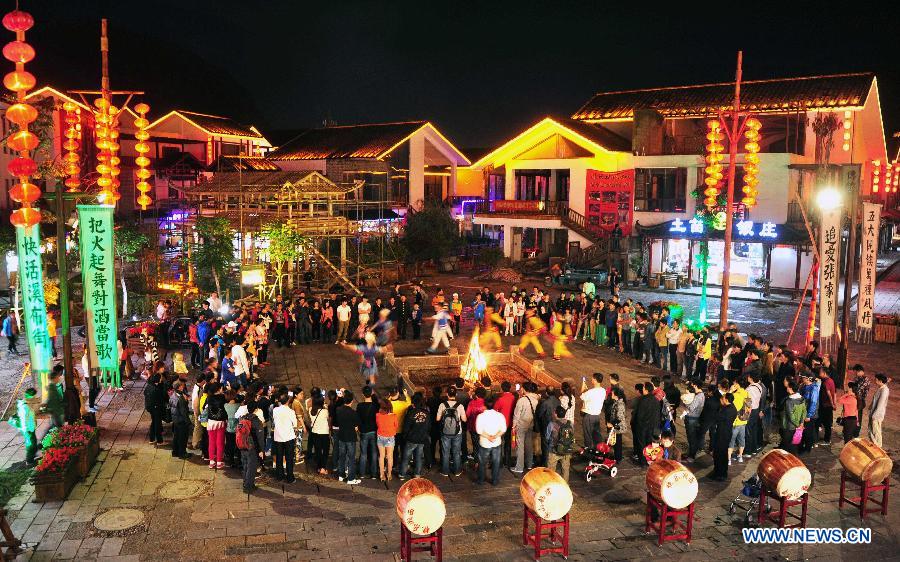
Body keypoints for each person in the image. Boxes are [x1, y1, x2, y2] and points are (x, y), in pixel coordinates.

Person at [436, 386, 467, 476]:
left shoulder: (442, 405)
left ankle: (445, 471)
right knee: (456, 452)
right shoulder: (460, 406)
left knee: (445, 452)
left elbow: (437, 419)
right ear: (456, 394)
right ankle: (457, 471)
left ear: (447, 394)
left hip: (445, 432)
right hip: (458, 432)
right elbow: (464, 419)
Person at [475, 396, 507, 486]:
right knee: (496, 462)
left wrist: (488, 437)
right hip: (496, 442)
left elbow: (479, 430)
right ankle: (495, 480)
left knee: (482, 462)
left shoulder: (480, 416)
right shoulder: (500, 415)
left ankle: (481, 480)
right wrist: (495, 436)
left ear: (484, 405)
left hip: (484, 443)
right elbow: (503, 429)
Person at [399, 393, 430, 480]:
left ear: (413, 403)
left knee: (406, 457)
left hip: (411, 439)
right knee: (419, 457)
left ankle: (402, 474)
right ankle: (417, 473)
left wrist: (405, 436)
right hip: (422, 438)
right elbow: (428, 426)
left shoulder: (411, 413)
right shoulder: (426, 413)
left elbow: (406, 427)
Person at [334, 390, 361, 484]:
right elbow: (356, 426)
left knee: (341, 456)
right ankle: (351, 478)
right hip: (350, 437)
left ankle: (341, 475)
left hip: (341, 435)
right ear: (352, 401)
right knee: (351, 457)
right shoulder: (353, 413)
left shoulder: (338, 410)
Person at [511, 382, 539, 473]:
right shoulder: (537, 399)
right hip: (531, 424)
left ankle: (519, 467)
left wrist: (514, 425)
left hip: (521, 425)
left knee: (520, 446)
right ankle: (529, 464)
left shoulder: (522, 400)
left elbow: (517, 414)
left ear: (525, 389)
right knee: (529, 445)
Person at [239, 400, 265, 493]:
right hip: (252, 447)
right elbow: (260, 437)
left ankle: (246, 483)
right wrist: (262, 450)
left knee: (245, 466)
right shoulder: (256, 421)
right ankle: (248, 487)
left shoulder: (242, 418)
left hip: (242, 446)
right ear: (256, 409)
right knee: (251, 467)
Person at [710, 392, 737, 481]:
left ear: (726, 400)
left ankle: (719, 473)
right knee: (723, 453)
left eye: (723, 398)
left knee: (719, 454)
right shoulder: (732, 408)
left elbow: (716, 417)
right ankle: (721, 472)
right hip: (726, 433)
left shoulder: (727, 410)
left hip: (722, 434)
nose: (722, 399)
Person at [8, 388, 38, 466]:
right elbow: (24, 420)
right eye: (33, 396)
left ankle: (32, 456)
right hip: (28, 429)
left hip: (30, 428)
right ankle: (29, 461)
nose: (34, 398)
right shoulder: (25, 406)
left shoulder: (27, 403)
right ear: (28, 396)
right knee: (31, 444)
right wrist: (27, 431)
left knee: (33, 443)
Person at [272, 393, 298, 483]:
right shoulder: (291, 411)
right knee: (289, 458)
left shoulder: (275, 410)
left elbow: (274, 420)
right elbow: (295, 424)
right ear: (287, 401)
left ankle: (279, 476)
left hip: (278, 436)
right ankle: (290, 477)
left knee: (279, 457)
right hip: (288, 436)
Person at [631, 383, 658, 464]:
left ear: (646, 390)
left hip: (642, 427)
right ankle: (648, 460)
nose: (642, 389)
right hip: (652, 427)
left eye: (643, 388)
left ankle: (642, 460)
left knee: (641, 444)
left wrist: (637, 425)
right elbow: (657, 415)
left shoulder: (642, 400)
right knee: (649, 444)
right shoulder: (656, 400)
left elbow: (639, 415)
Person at [545, 406, 575, 481]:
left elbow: (547, 437)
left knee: (551, 471)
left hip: (554, 450)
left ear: (556, 414)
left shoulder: (552, 424)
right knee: (565, 469)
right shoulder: (570, 423)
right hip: (567, 450)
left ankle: (551, 484)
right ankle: (565, 485)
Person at [779, 378, 806, 455]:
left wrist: (798, 424)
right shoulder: (802, 398)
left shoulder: (789, 401)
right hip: (798, 426)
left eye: (787, 387)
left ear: (790, 388)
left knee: (788, 446)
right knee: (795, 444)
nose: (786, 388)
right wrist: (801, 423)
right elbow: (804, 411)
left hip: (788, 426)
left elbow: (790, 416)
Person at [357, 386, 379, 479]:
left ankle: (362, 473)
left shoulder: (360, 406)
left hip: (364, 431)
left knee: (363, 453)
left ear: (363, 395)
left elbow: (358, 419)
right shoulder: (376, 406)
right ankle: (373, 473)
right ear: (371, 393)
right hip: (374, 430)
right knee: (374, 452)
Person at [579, 373, 606, 450]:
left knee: (588, 434)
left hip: (589, 416)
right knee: (596, 434)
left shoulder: (591, 392)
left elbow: (582, 396)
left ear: (595, 380)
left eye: (592, 378)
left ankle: (589, 451)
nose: (591, 379)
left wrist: (583, 388)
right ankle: (599, 450)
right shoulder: (603, 390)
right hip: (596, 416)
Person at [205, 382, 228, 469]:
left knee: (211, 442)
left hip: (211, 422)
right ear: (218, 389)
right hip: (220, 423)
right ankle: (219, 462)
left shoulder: (209, 397)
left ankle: (211, 461)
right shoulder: (222, 397)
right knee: (220, 442)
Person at [681, 380, 705, 462]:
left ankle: (692, 456)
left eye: (693, 385)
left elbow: (691, 408)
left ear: (695, 386)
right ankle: (690, 453)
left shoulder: (698, 396)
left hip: (692, 418)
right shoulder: (701, 395)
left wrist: (684, 402)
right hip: (694, 418)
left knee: (692, 437)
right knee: (691, 437)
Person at [308, 395, 331, 475]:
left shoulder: (310, 410)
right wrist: (326, 407)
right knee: (325, 451)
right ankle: (323, 468)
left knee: (318, 450)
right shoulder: (324, 411)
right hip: (324, 433)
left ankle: (318, 467)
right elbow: (328, 418)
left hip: (315, 432)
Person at [376, 398, 398, 481]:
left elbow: (378, 424)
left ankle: (382, 475)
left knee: (381, 456)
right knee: (389, 457)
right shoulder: (394, 416)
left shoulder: (377, 415)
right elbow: (396, 426)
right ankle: (389, 474)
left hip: (380, 436)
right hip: (390, 437)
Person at [144, 372, 167, 445]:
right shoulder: (156, 390)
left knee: (154, 422)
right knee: (157, 424)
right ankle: (159, 441)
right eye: (160, 378)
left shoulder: (149, 386)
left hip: (150, 407)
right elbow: (162, 398)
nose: (161, 379)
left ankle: (152, 438)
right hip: (156, 408)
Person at [169, 381, 191, 459]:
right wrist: (188, 422)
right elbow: (183, 412)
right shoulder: (181, 398)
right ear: (179, 387)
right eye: (182, 386)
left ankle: (175, 451)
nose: (183, 386)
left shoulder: (173, 395)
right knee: (183, 437)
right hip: (181, 421)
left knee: (176, 436)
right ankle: (182, 453)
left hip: (175, 420)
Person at [606, 386, 627, 462]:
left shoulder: (619, 404)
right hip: (616, 426)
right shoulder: (617, 402)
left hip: (618, 427)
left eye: (612, 393)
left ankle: (618, 458)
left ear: (616, 395)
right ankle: (617, 457)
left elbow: (620, 418)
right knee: (616, 442)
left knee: (617, 442)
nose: (611, 395)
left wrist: (612, 425)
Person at [816, 367, 836, 446]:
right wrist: (834, 404)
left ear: (824, 373)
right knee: (825, 423)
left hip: (825, 405)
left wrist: (832, 404)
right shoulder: (831, 380)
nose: (819, 373)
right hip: (827, 405)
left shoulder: (826, 382)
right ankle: (825, 438)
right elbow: (834, 393)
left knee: (826, 423)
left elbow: (829, 394)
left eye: (820, 372)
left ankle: (827, 440)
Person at [868, 374, 889, 447]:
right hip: (874, 412)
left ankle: (878, 447)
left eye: (876, 380)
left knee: (876, 431)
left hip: (877, 415)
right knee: (873, 430)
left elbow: (881, 403)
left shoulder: (884, 390)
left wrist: (875, 415)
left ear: (880, 381)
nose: (875, 381)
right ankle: (875, 445)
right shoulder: (881, 388)